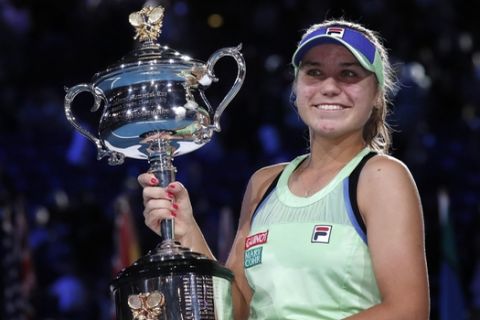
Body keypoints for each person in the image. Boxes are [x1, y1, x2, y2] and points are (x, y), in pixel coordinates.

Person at [139, 19, 430, 319]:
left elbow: (408, 310)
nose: (329, 87)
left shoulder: (381, 177)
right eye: (314, 72)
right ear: (296, 87)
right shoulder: (264, 184)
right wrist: (187, 230)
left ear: (376, 95)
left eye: (348, 74)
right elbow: (235, 310)